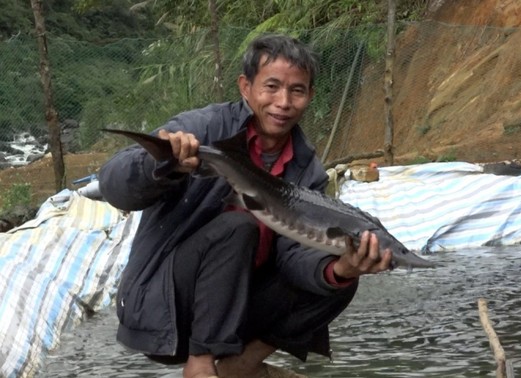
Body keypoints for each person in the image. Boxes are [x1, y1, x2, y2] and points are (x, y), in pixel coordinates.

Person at [98, 34, 392, 378]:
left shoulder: (306, 169)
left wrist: (341, 269)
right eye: (271, 87)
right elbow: (113, 185)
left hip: (236, 308)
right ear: (245, 87)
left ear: (310, 96)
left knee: (334, 279)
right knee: (238, 227)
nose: (283, 102)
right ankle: (201, 364)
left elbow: (294, 257)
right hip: (168, 306)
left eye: (297, 90)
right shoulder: (203, 128)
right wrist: (161, 165)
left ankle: (241, 365)